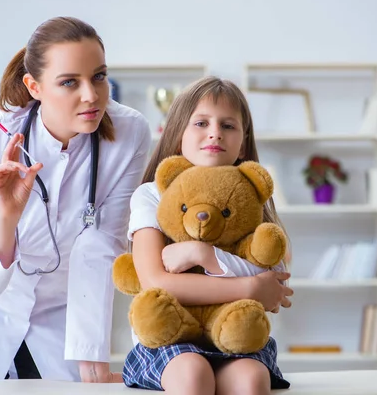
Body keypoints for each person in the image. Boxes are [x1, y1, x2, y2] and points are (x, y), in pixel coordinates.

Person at [0, 16, 150, 382]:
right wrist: (6, 219)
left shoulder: (130, 132)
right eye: (69, 82)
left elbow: (103, 242)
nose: (91, 95)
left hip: (62, 311)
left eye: (99, 76)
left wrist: (92, 356)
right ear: (34, 86)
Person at [122, 76, 293, 394]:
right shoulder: (152, 195)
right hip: (171, 341)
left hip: (233, 338)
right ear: (176, 136)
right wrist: (249, 287)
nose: (215, 132)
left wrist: (203, 255)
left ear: (242, 144)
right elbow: (156, 282)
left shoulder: (249, 197)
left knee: (251, 379)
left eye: (228, 126)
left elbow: (270, 278)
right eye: (201, 122)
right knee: (192, 373)